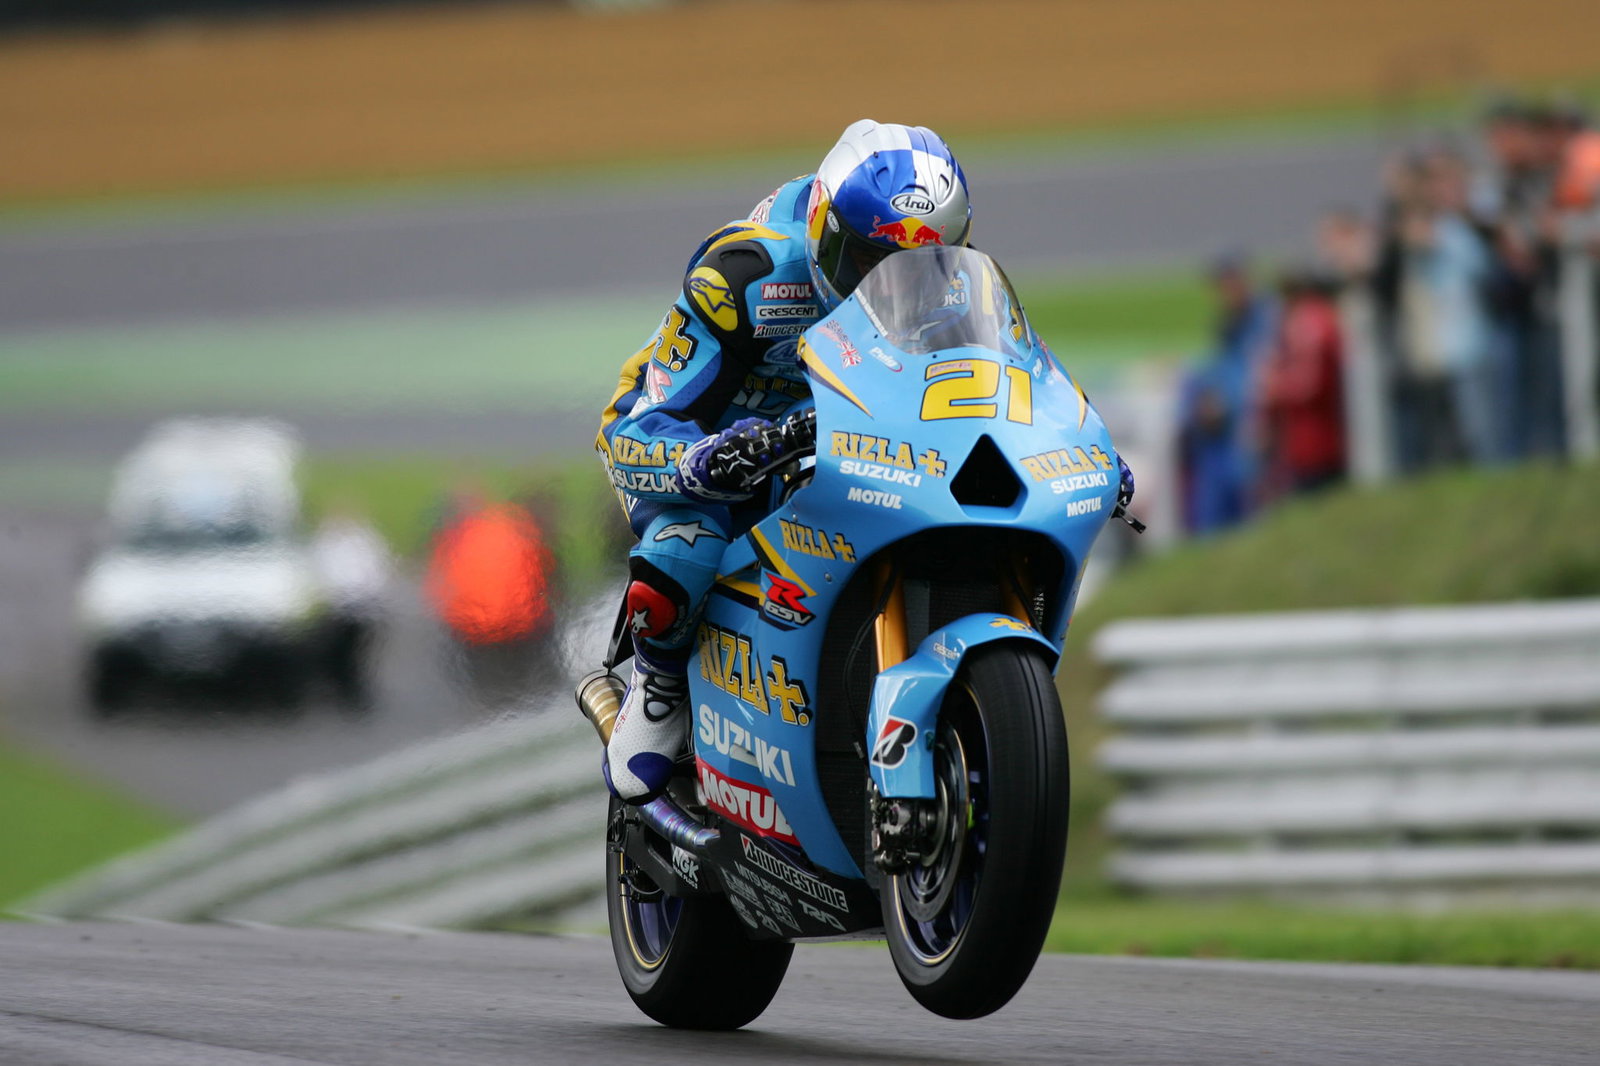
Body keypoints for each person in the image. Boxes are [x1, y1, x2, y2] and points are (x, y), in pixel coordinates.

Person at [594, 120, 975, 802]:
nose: (893, 290)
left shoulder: (950, 294)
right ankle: (659, 685)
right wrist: (704, 459)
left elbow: (1003, 381)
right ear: (826, 236)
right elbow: (642, 430)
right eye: (870, 263)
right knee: (690, 535)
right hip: (702, 431)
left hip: (844, 435)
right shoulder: (747, 276)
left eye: (920, 267)